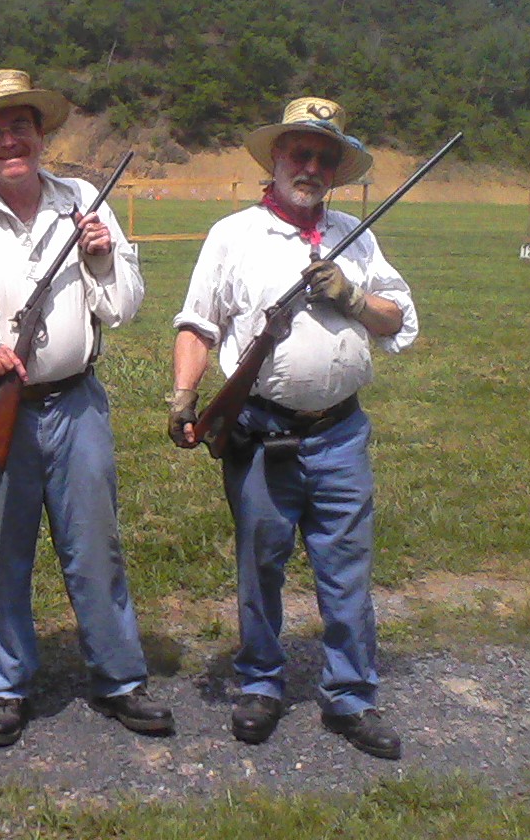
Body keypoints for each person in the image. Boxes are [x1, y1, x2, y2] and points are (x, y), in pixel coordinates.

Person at [0, 68, 173, 747]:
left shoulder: (84, 204)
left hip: (77, 406)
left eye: (21, 125)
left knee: (95, 548)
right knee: (1, 553)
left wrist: (103, 258)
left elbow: (124, 306)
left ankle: (120, 678)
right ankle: (9, 682)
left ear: (42, 134)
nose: (9, 139)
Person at [169, 97, 417, 760]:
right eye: (299, 153)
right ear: (275, 159)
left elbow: (398, 319)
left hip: (341, 434)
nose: (309, 167)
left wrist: (352, 297)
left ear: (334, 171)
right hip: (260, 433)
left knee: (347, 571)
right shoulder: (232, 236)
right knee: (261, 567)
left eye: (323, 158)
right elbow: (198, 324)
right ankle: (260, 683)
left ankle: (351, 695)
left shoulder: (357, 237)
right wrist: (184, 396)